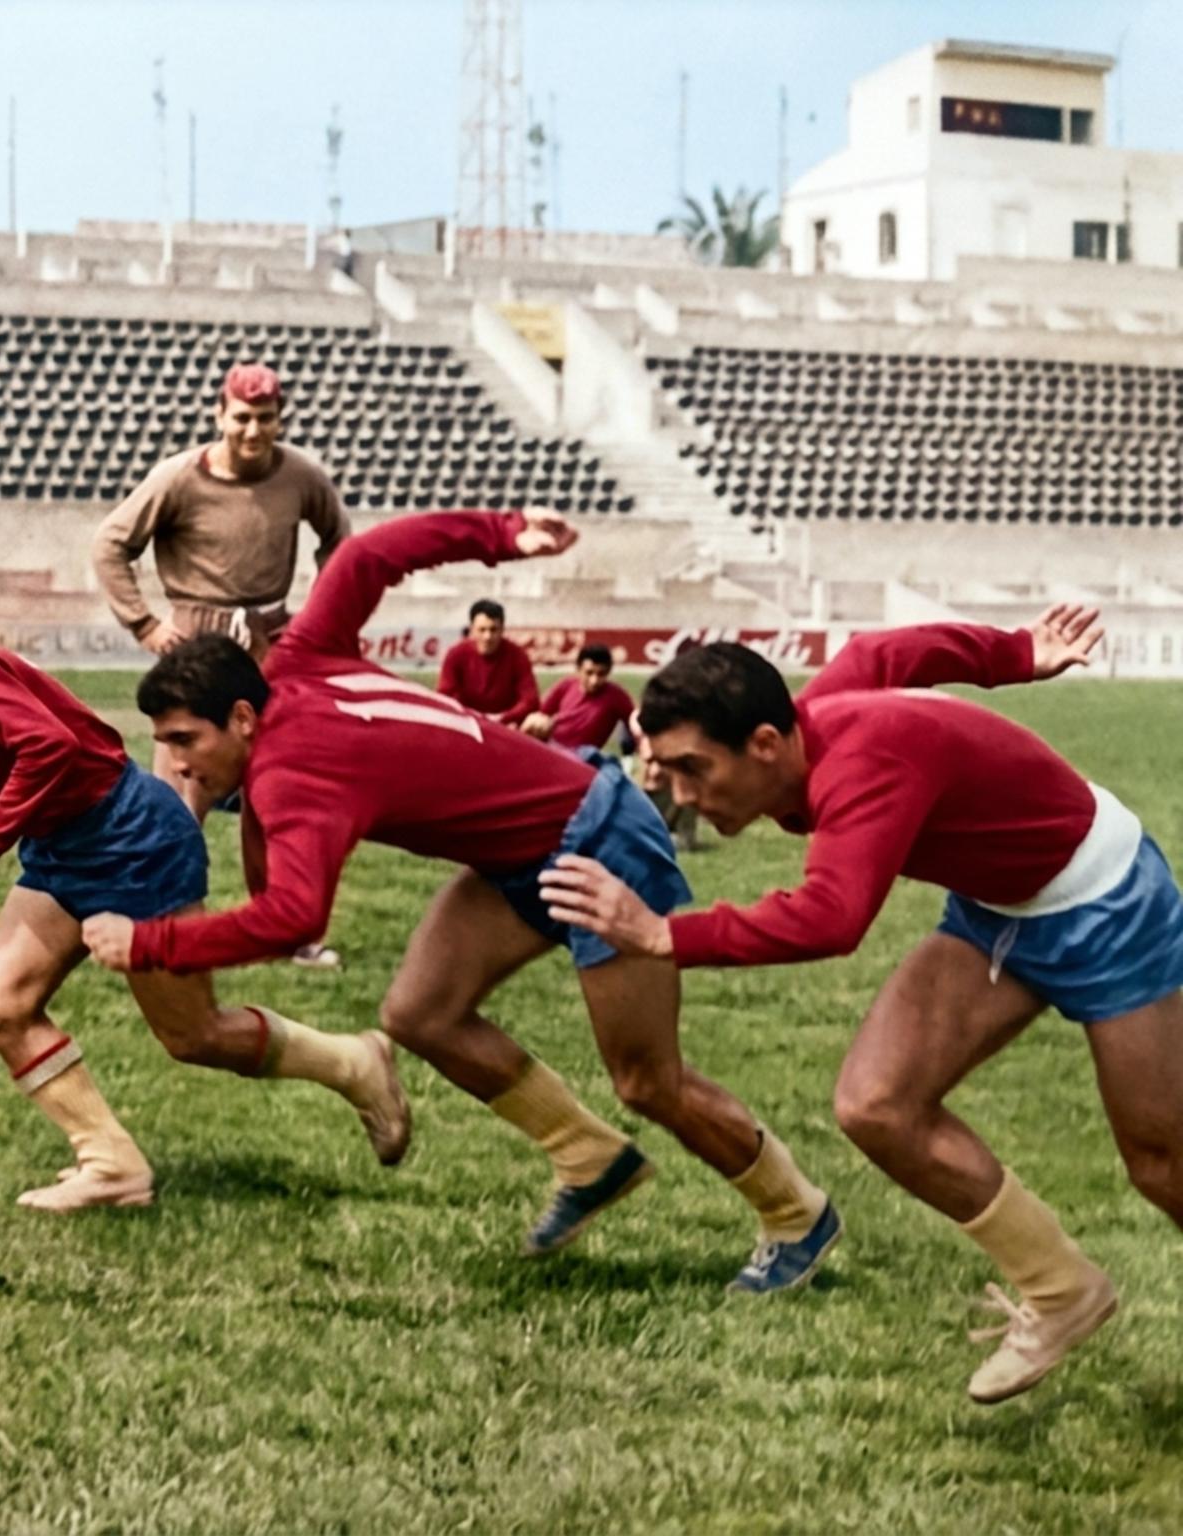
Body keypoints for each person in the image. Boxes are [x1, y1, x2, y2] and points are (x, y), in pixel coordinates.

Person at [81, 511, 841, 1291]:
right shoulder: (302, 658)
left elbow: (295, 919)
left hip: (600, 836)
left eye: (183, 741)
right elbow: (372, 555)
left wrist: (149, 945)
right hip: (524, 849)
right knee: (419, 1015)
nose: (173, 761)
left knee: (648, 1081)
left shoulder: (292, 774)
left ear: (242, 718)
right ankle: (589, 1157)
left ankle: (796, 1214)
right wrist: (504, 532)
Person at [539, 605, 1183, 1402]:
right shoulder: (808, 716)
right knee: (877, 1104)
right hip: (998, 911)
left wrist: (664, 935)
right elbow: (890, 647)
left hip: (1107, 902)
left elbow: (832, 916)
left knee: (1163, 1167)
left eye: (693, 769)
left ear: (766, 745)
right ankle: (1062, 1292)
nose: (679, 793)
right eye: (663, 769)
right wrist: (1018, 649)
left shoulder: (863, 763)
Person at [0, 558, 409, 1212]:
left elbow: (50, 748)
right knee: (0, 1004)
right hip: (65, 845)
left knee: (193, 1035)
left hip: (130, 839)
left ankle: (355, 1064)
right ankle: (111, 1164)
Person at [93, 360, 350, 967]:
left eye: (266, 419)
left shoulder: (301, 476)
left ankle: (286, 928)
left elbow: (340, 541)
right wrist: (146, 623)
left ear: (280, 418)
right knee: (180, 793)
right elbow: (110, 544)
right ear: (220, 415)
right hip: (196, 644)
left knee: (278, 792)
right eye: (242, 418)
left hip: (270, 643)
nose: (254, 431)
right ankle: (159, 928)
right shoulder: (179, 477)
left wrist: (315, 622)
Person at [437, 599, 541, 725]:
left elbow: (530, 700)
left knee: (537, 723)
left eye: (493, 629)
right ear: (472, 629)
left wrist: (504, 718)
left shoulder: (517, 655)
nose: (488, 636)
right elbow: (445, 696)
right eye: (482, 630)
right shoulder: (456, 654)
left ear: (502, 629)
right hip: (466, 722)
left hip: (506, 725)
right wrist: (470, 716)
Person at [523, 644, 635, 750]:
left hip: (584, 756)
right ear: (578, 669)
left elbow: (636, 724)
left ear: (608, 672)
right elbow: (539, 714)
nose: (594, 681)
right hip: (553, 747)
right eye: (589, 673)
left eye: (601, 674)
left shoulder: (616, 696)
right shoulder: (566, 685)